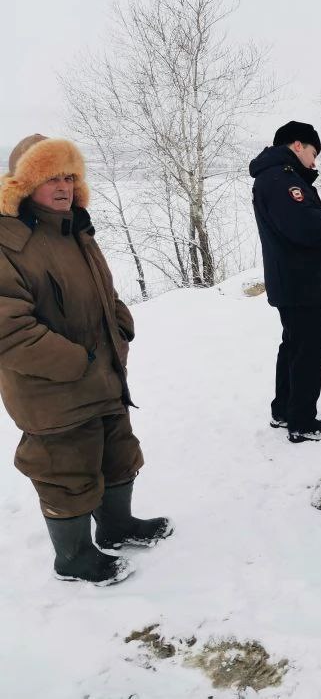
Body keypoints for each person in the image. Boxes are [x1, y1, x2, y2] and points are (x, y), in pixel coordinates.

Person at [0, 135, 171, 586]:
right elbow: (9, 329)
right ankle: (73, 559)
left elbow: (106, 294)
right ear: (23, 185)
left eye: (69, 176)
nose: (63, 186)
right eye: (50, 177)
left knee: (118, 455)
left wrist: (122, 330)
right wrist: (79, 362)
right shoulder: (8, 243)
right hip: (52, 389)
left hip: (103, 375)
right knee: (66, 471)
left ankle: (117, 527)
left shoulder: (75, 228)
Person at [250, 121, 321, 443]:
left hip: (293, 279)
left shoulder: (277, 177)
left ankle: (284, 410)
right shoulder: (282, 180)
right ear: (297, 145)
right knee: (308, 348)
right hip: (301, 281)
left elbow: (301, 223)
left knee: (294, 345)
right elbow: (307, 229)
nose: (314, 161)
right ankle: (303, 421)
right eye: (312, 152)